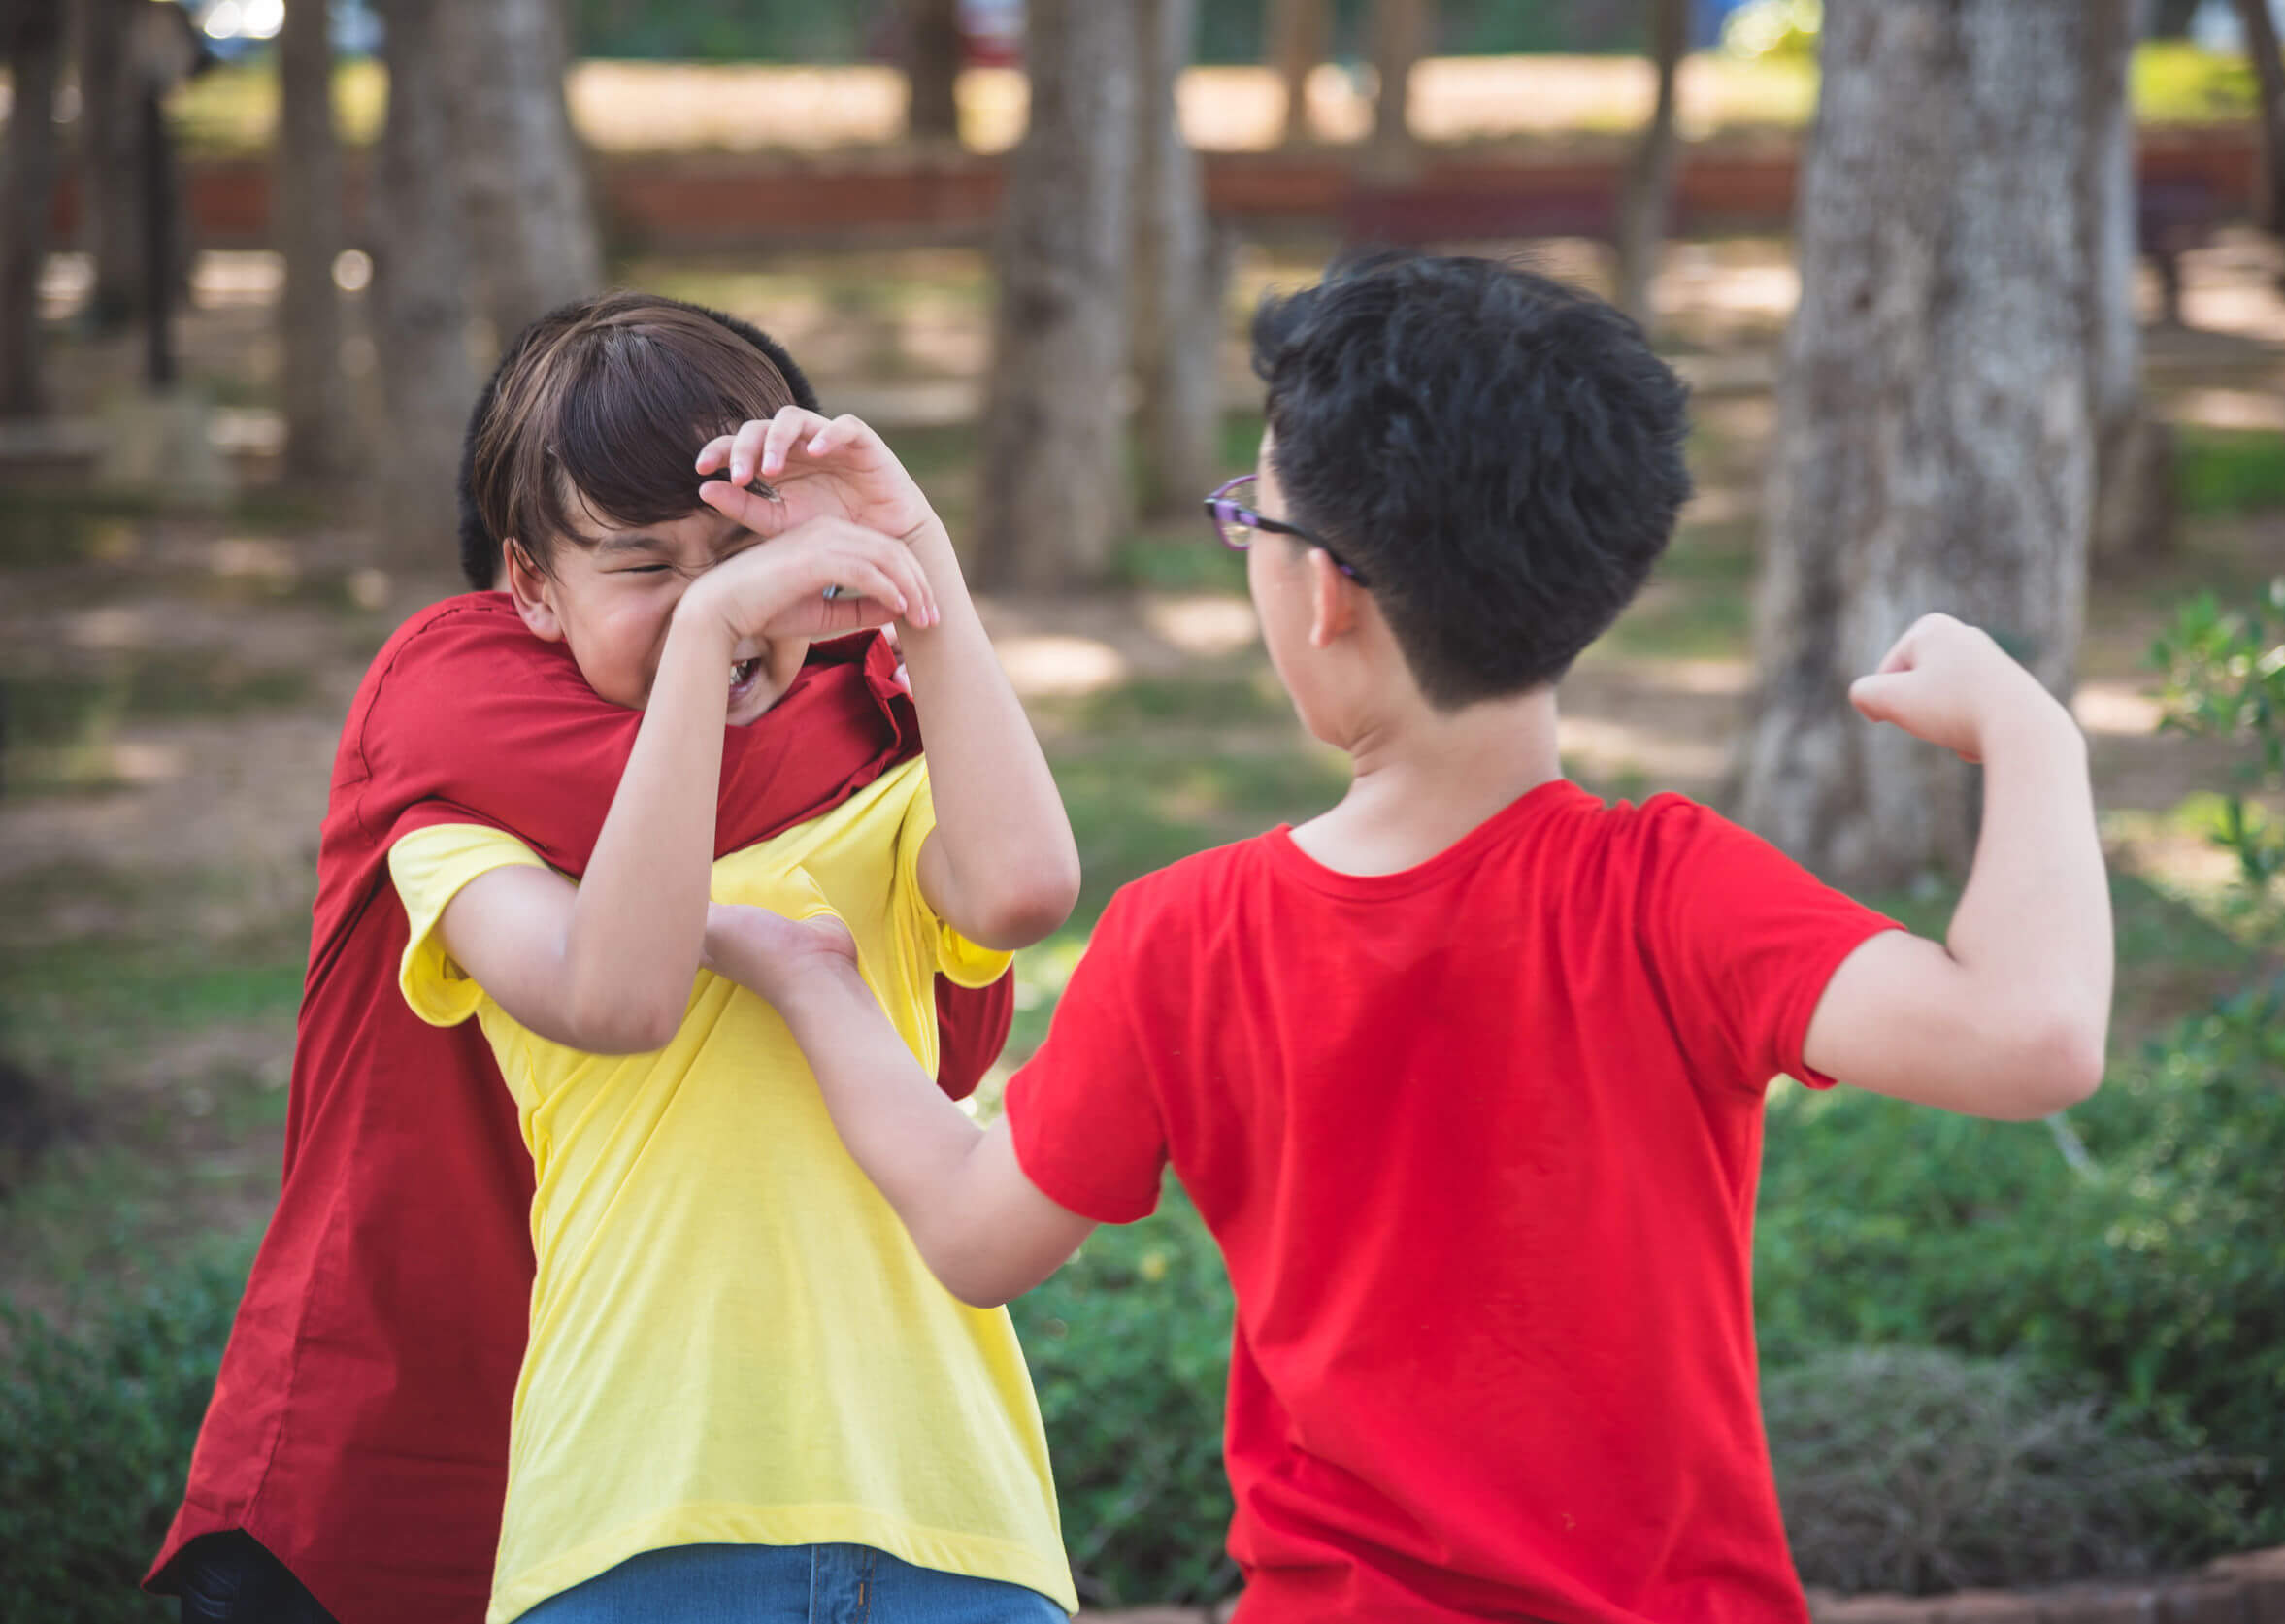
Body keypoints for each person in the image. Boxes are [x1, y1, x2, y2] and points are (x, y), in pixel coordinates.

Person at [701, 252, 2116, 1624]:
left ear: (1324, 590)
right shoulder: (1672, 892)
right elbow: (2032, 1031)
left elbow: (972, 1225)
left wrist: (815, 980)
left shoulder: (1189, 938)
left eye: (1252, 510)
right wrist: (2029, 731)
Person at [148, 296, 1027, 1624]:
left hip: (864, 1476)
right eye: (645, 562)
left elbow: (1005, 914)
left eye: (740, 544)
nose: (710, 604)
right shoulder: (455, 707)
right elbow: (616, 985)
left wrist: (917, 580)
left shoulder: (877, 731)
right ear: (527, 584)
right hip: (432, 1412)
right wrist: (733, 625)